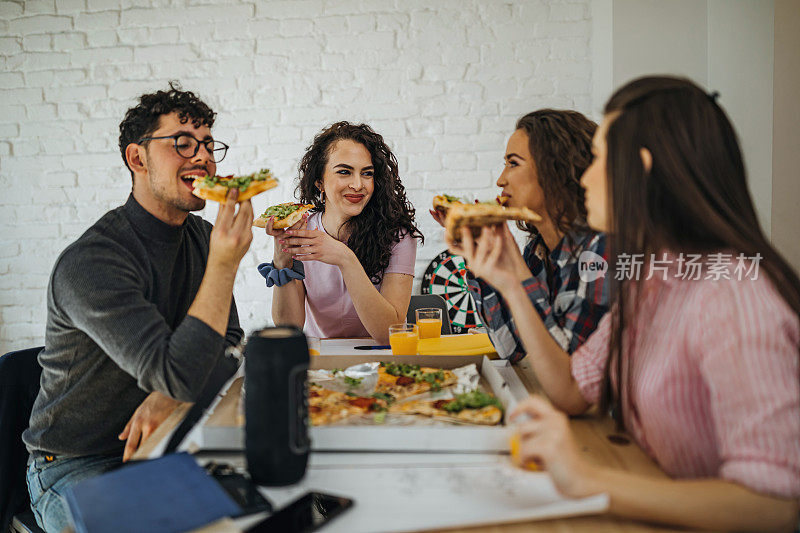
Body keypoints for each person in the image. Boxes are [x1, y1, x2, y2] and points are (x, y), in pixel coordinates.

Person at [460, 76, 800, 530]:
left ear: (638, 170)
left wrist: (586, 478)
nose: (583, 175)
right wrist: (507, 280)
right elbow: (571, 391)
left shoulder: (731, 294)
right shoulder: (650, 280)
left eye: (598, 159)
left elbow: (772, 505)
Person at [23, 83, 254, 533]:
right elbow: (183, 372)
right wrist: (225, 264)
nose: (203, 156)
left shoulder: (203, 238)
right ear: (138, 158)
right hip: (74, 464)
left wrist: (167, 395)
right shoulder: (92, 262)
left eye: (208, 144)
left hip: (168, 440)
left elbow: (228, 342)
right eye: (182, 143)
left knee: (258, 512)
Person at [443, 110, 608, 362]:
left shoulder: (597, 253)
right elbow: (512, 349)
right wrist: (479, 257)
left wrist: (517, 273)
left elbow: (570, 372)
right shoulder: (537, 252)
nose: (500, 180)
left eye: (513, 163)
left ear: (556, 170)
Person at [261, 122, 422, 343]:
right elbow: (289, 328)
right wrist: (282, 260)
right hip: (323, 360)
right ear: (320, 181)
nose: (358, 185)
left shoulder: (398, 237)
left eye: (367, 174)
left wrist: (345, 258)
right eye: (344, 172)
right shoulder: (301, 230)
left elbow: (388, 334)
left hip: (383, 358)